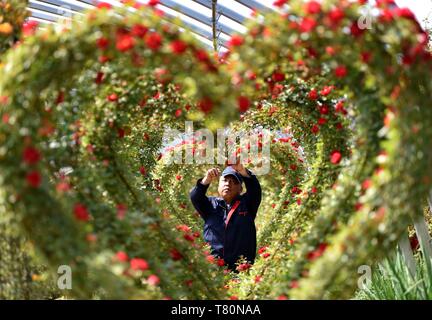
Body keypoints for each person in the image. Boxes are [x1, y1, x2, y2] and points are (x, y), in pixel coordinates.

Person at [189, 162, 262, 271]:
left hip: (241, 269)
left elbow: (255, 189)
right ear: (218, 185)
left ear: (240, 189)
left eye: (233, 181)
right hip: (213, 268)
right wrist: (206, 179)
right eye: (225, 180)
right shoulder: (210, 205)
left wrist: (242, 171)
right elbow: (195, 197)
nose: (228, 184)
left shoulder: (247, 204)